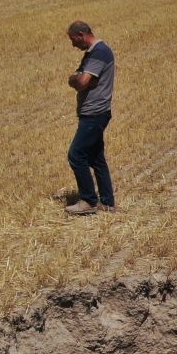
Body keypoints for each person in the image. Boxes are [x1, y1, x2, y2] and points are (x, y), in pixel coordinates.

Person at [63, 21, 116, 215]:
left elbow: (81, 82)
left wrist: (78, 79)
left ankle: (88, 200)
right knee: (96, 158)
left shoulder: (99, 53)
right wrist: (77, 78)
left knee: (76, 155)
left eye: (73, 40)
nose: (73, 45)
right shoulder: (92, 54)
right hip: (94, 112)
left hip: (94, 113)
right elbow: (76, 79)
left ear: (82, 34)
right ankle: (108, 202)